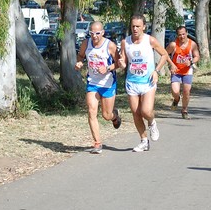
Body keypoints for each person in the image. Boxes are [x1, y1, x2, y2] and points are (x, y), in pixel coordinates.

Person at [119, 15, 176, 152]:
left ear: (144, 26)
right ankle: (144, 140)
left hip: (148, 81)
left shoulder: (150, 40)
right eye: (133, 26)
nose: (135, 29)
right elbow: (124, 61)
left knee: (146, 111)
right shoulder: (125, 42)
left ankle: (152, 122)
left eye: (138, 26)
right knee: (136, 113)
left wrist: (156, 70)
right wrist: (122, 63)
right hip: (132, 81)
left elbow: (164, 54)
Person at [75, 21, 121, 154]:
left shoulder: (110, 45)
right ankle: (97, 143)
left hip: (107, 83)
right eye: (91, 33)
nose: (94, 36)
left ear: (102, 32)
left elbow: (118, 63)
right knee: (91, 110)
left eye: (97, 33)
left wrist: (107, 68)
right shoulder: (86, 43)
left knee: (106, 115)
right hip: (93, 83)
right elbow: (81, 55)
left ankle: (115, 116)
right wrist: (79, 62)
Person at [166, 26, 200, 119]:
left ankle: (184, 110)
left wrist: (191, 62)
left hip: (187, 71)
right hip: (176, 71)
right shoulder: (173, 45)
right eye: (179, 35)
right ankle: (176, 100)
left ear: (187, 33)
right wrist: (171, 64)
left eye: (183, 34)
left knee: (186, 92)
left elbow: (197, 56)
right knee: (175, 91)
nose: (182, 36)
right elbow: (165, 54)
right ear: (177, 35)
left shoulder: (192, 44)